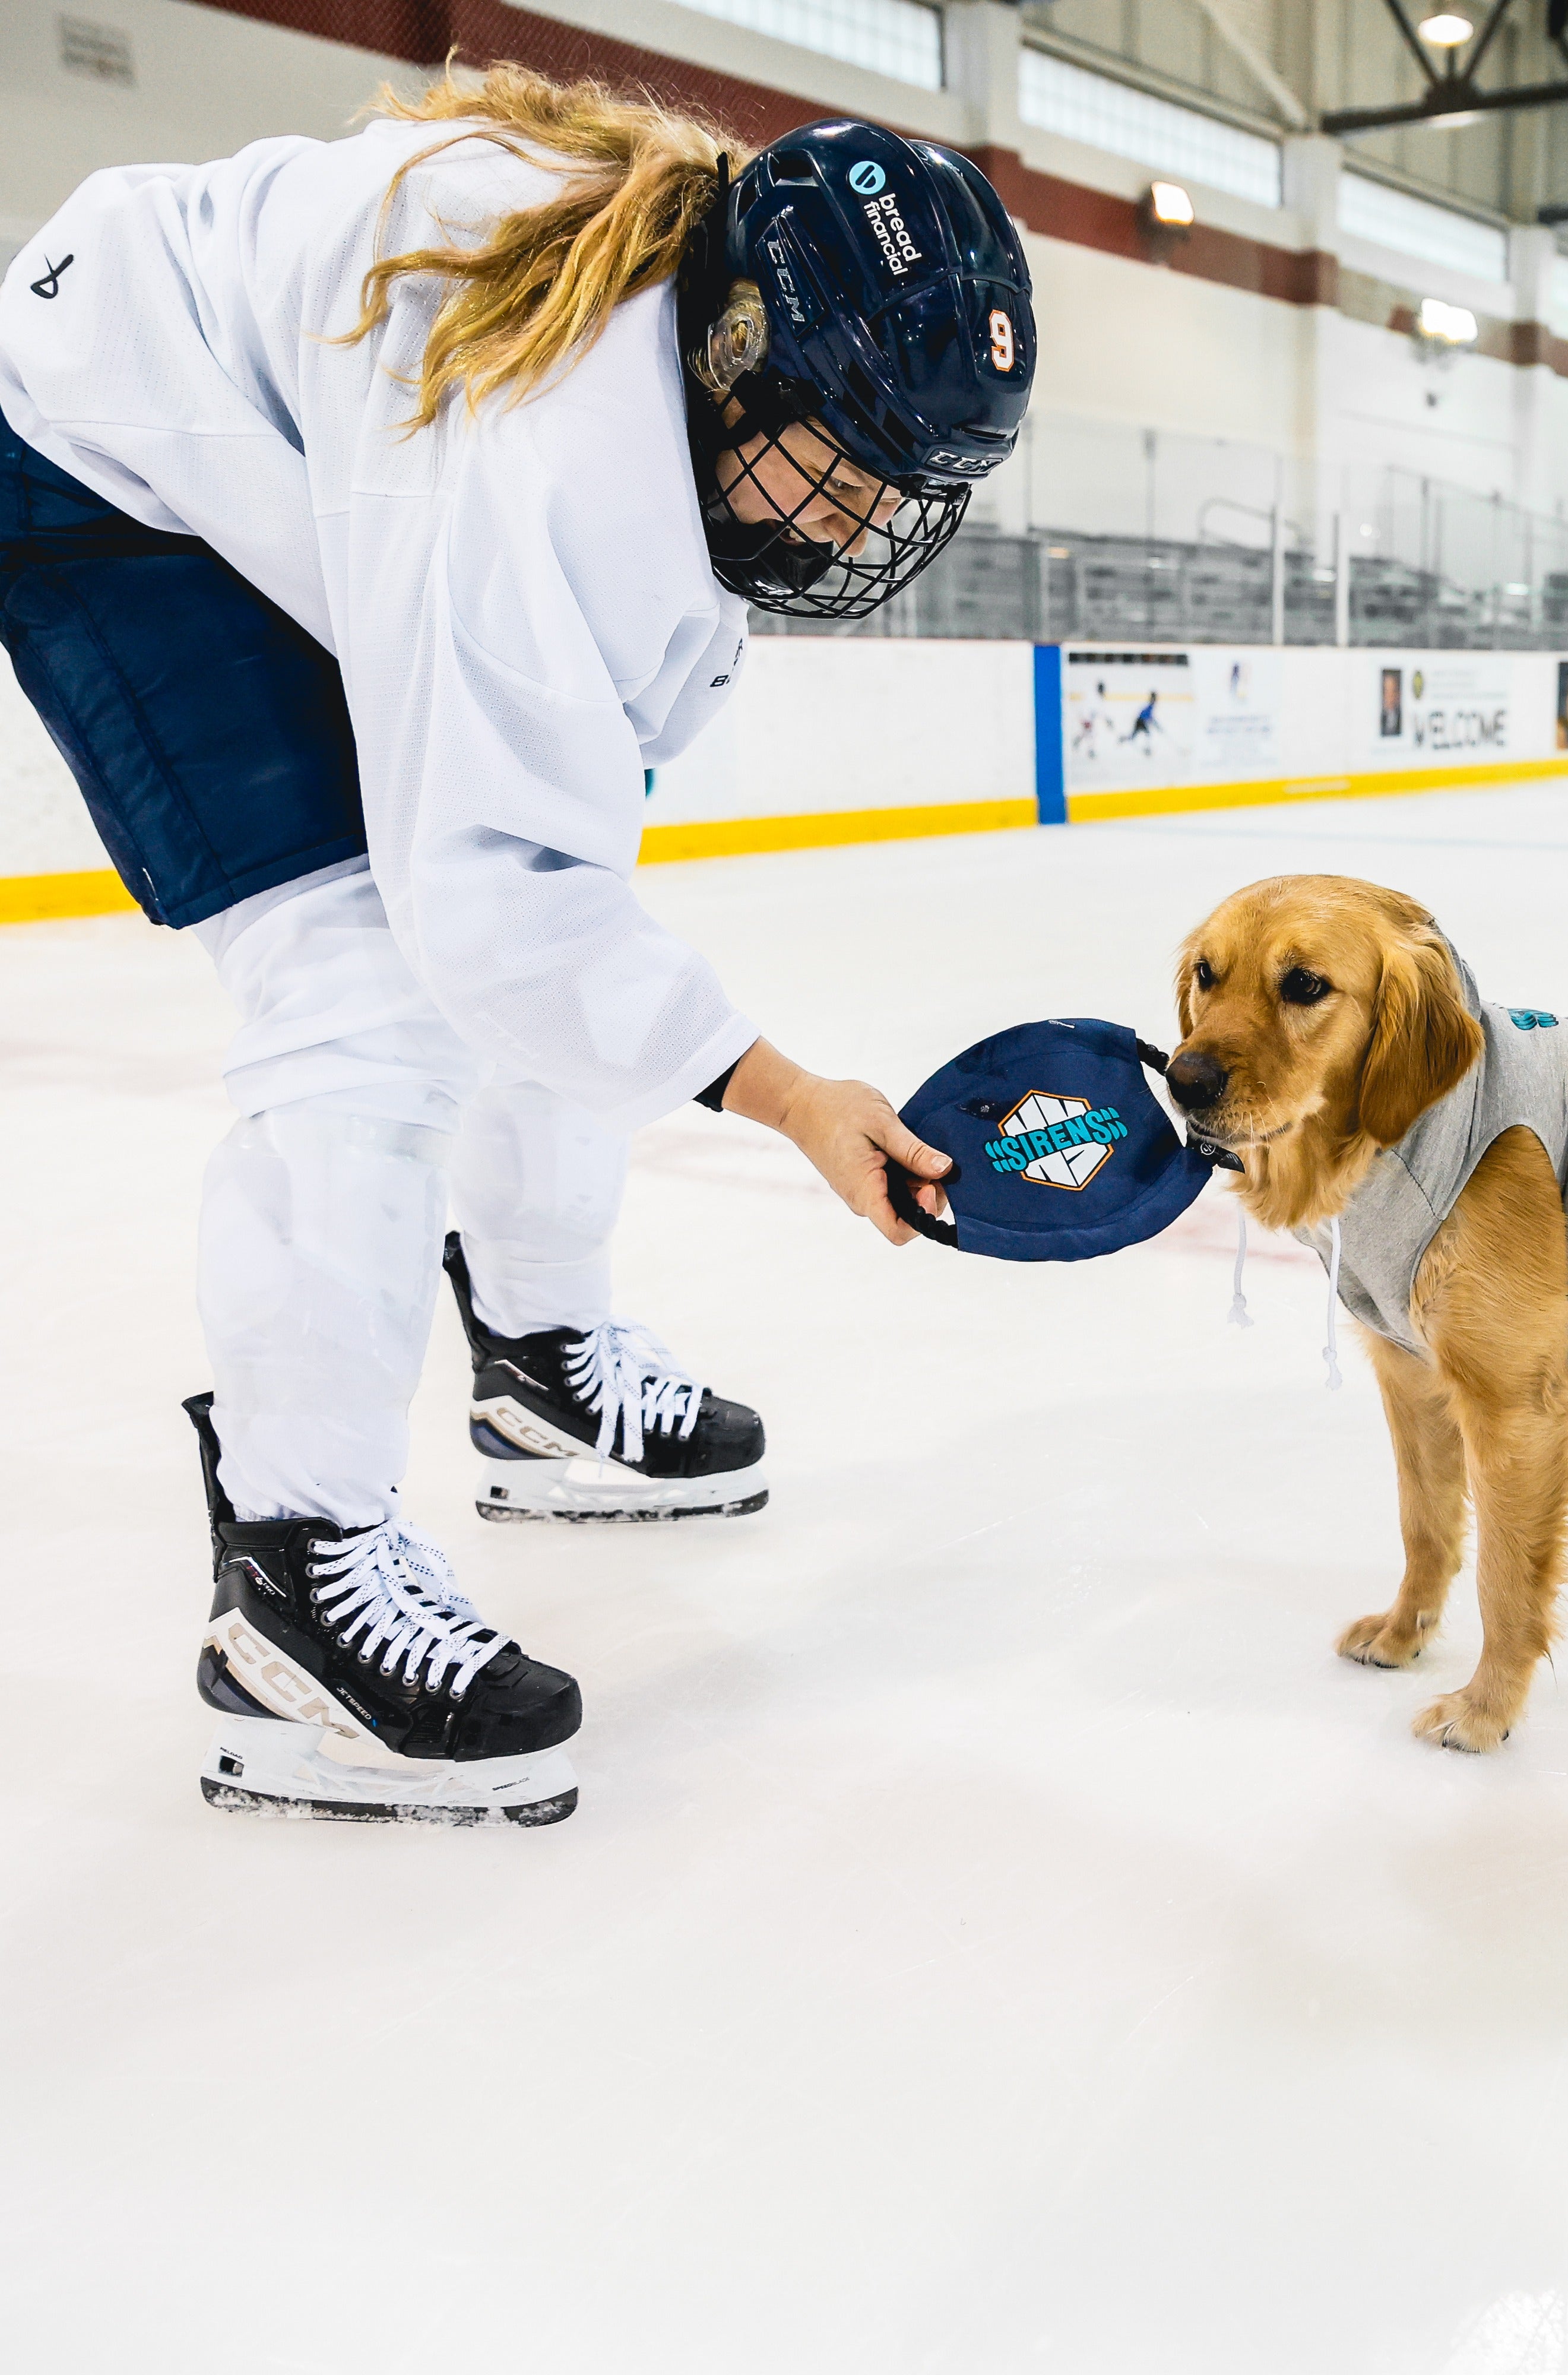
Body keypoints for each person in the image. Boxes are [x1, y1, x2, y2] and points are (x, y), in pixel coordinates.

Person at [0, 66, 1037, 1825]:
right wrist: (784, 1093)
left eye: (897, 496)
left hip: (301, 463)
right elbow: (486, 895)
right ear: (737, 363)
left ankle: (542, 1362)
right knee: (367, 989)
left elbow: (564, 875)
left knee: (552, 913)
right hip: (114, 467)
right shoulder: (530, 429)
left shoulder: (683, 365)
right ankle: (292, 1578)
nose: (860, 527)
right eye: (842, 468)